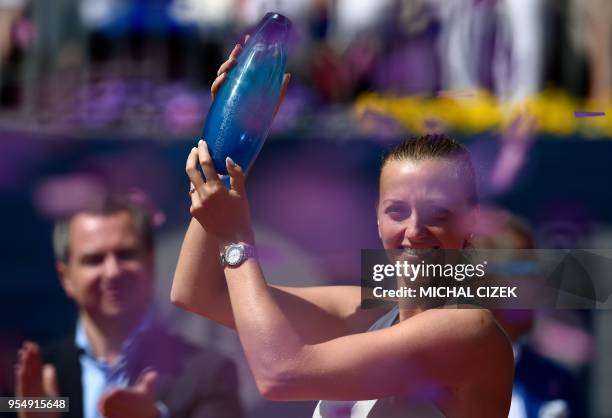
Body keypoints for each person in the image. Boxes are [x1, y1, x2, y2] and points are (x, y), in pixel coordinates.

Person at [171, 42, 514, 418]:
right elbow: (199, 293)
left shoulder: (470, 331)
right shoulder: (363, 314)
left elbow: (281, 375)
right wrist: (235, 142)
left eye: (436, 213)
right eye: (397, 211)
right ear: (377, 217)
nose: (414, 230)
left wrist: (236, 237)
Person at [14, 193, 243, 418]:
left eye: (126, 255)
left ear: (151, 261)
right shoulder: (35, 375)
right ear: (65, 277)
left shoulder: (208, 373)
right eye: (94, 259)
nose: (112, 272)